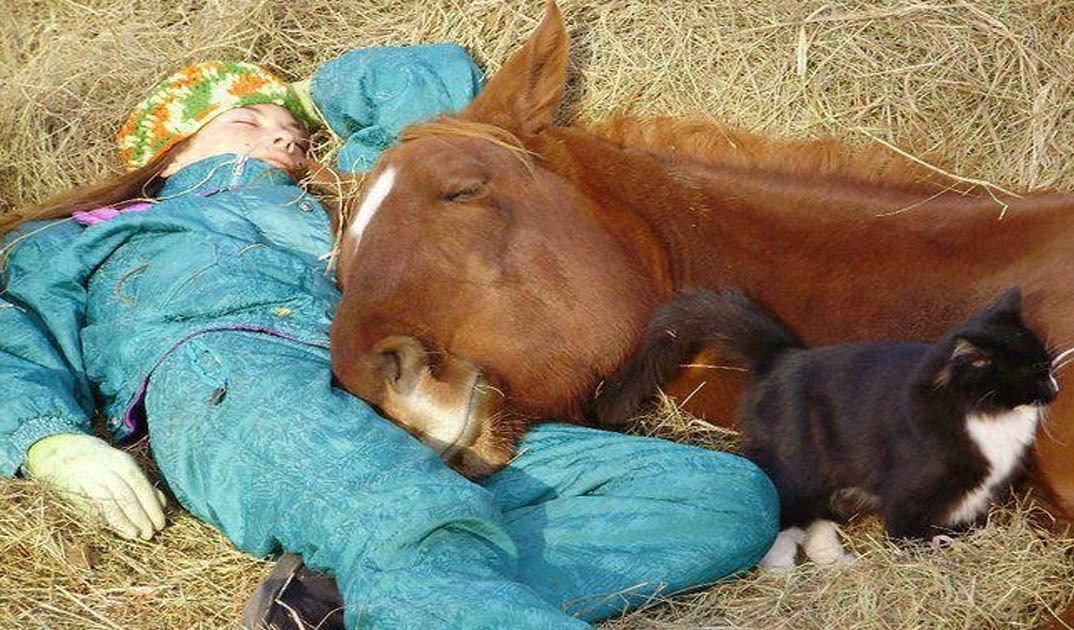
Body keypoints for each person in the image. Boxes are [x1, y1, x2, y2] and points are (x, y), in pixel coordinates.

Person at [0, 45, 779, 629]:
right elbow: (13, 337)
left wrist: (301, 94)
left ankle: (364, 595)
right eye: (246, 121)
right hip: (239, 377)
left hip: (404, 390)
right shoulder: (87, 235)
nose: (284, 140)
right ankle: (412, 568)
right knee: (411, 518)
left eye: (294, 132)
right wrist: (48, 441)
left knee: (724, 497)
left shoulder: (361, 199)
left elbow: (430, 82)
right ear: (164, 161)